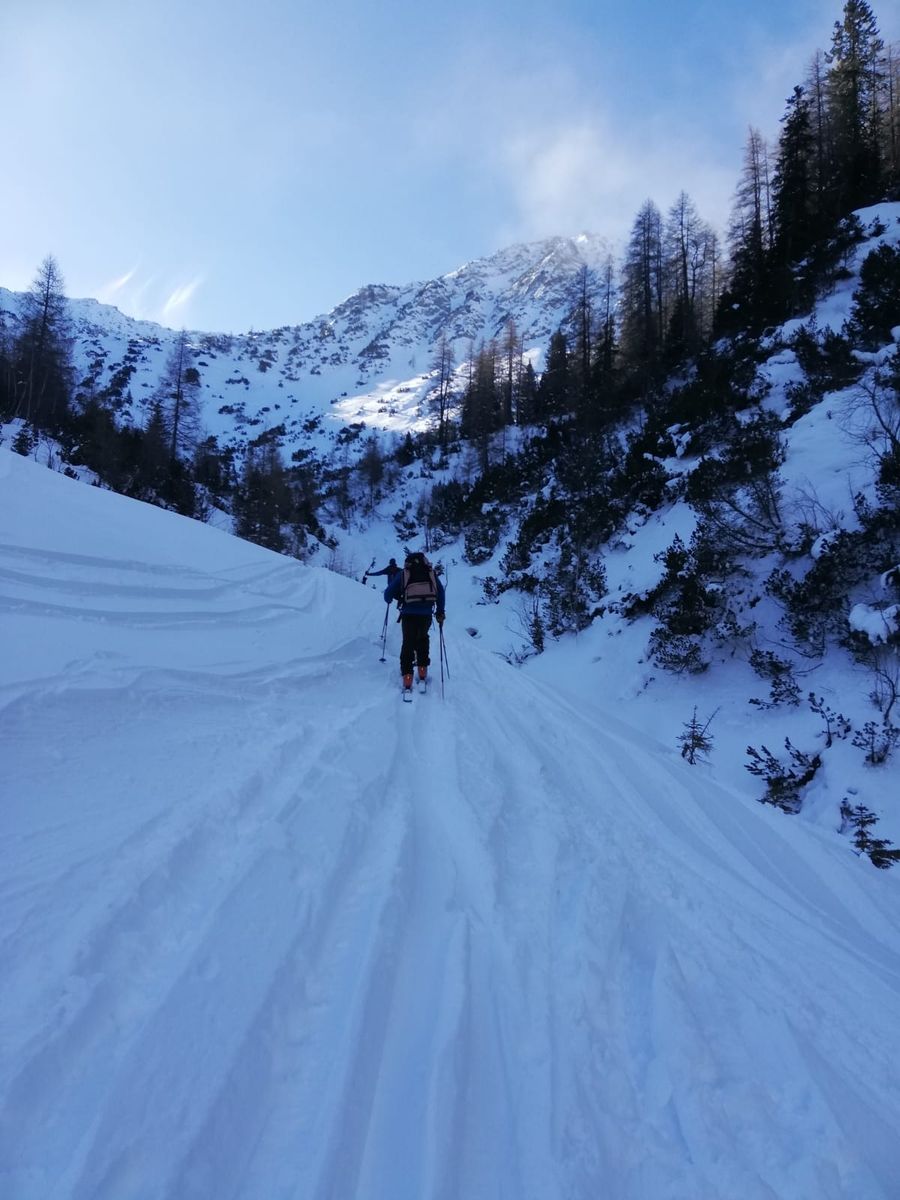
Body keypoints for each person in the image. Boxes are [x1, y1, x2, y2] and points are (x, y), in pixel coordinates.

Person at [384, 552, 446, 694]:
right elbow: (441, 592)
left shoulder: (404, 574)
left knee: (408, 642)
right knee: (423, 639)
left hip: (408, 614)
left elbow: (388, 593)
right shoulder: (430, 573)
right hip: (426, 614)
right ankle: (422, 671)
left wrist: (389, 599)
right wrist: (440, 611)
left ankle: (407, 677)